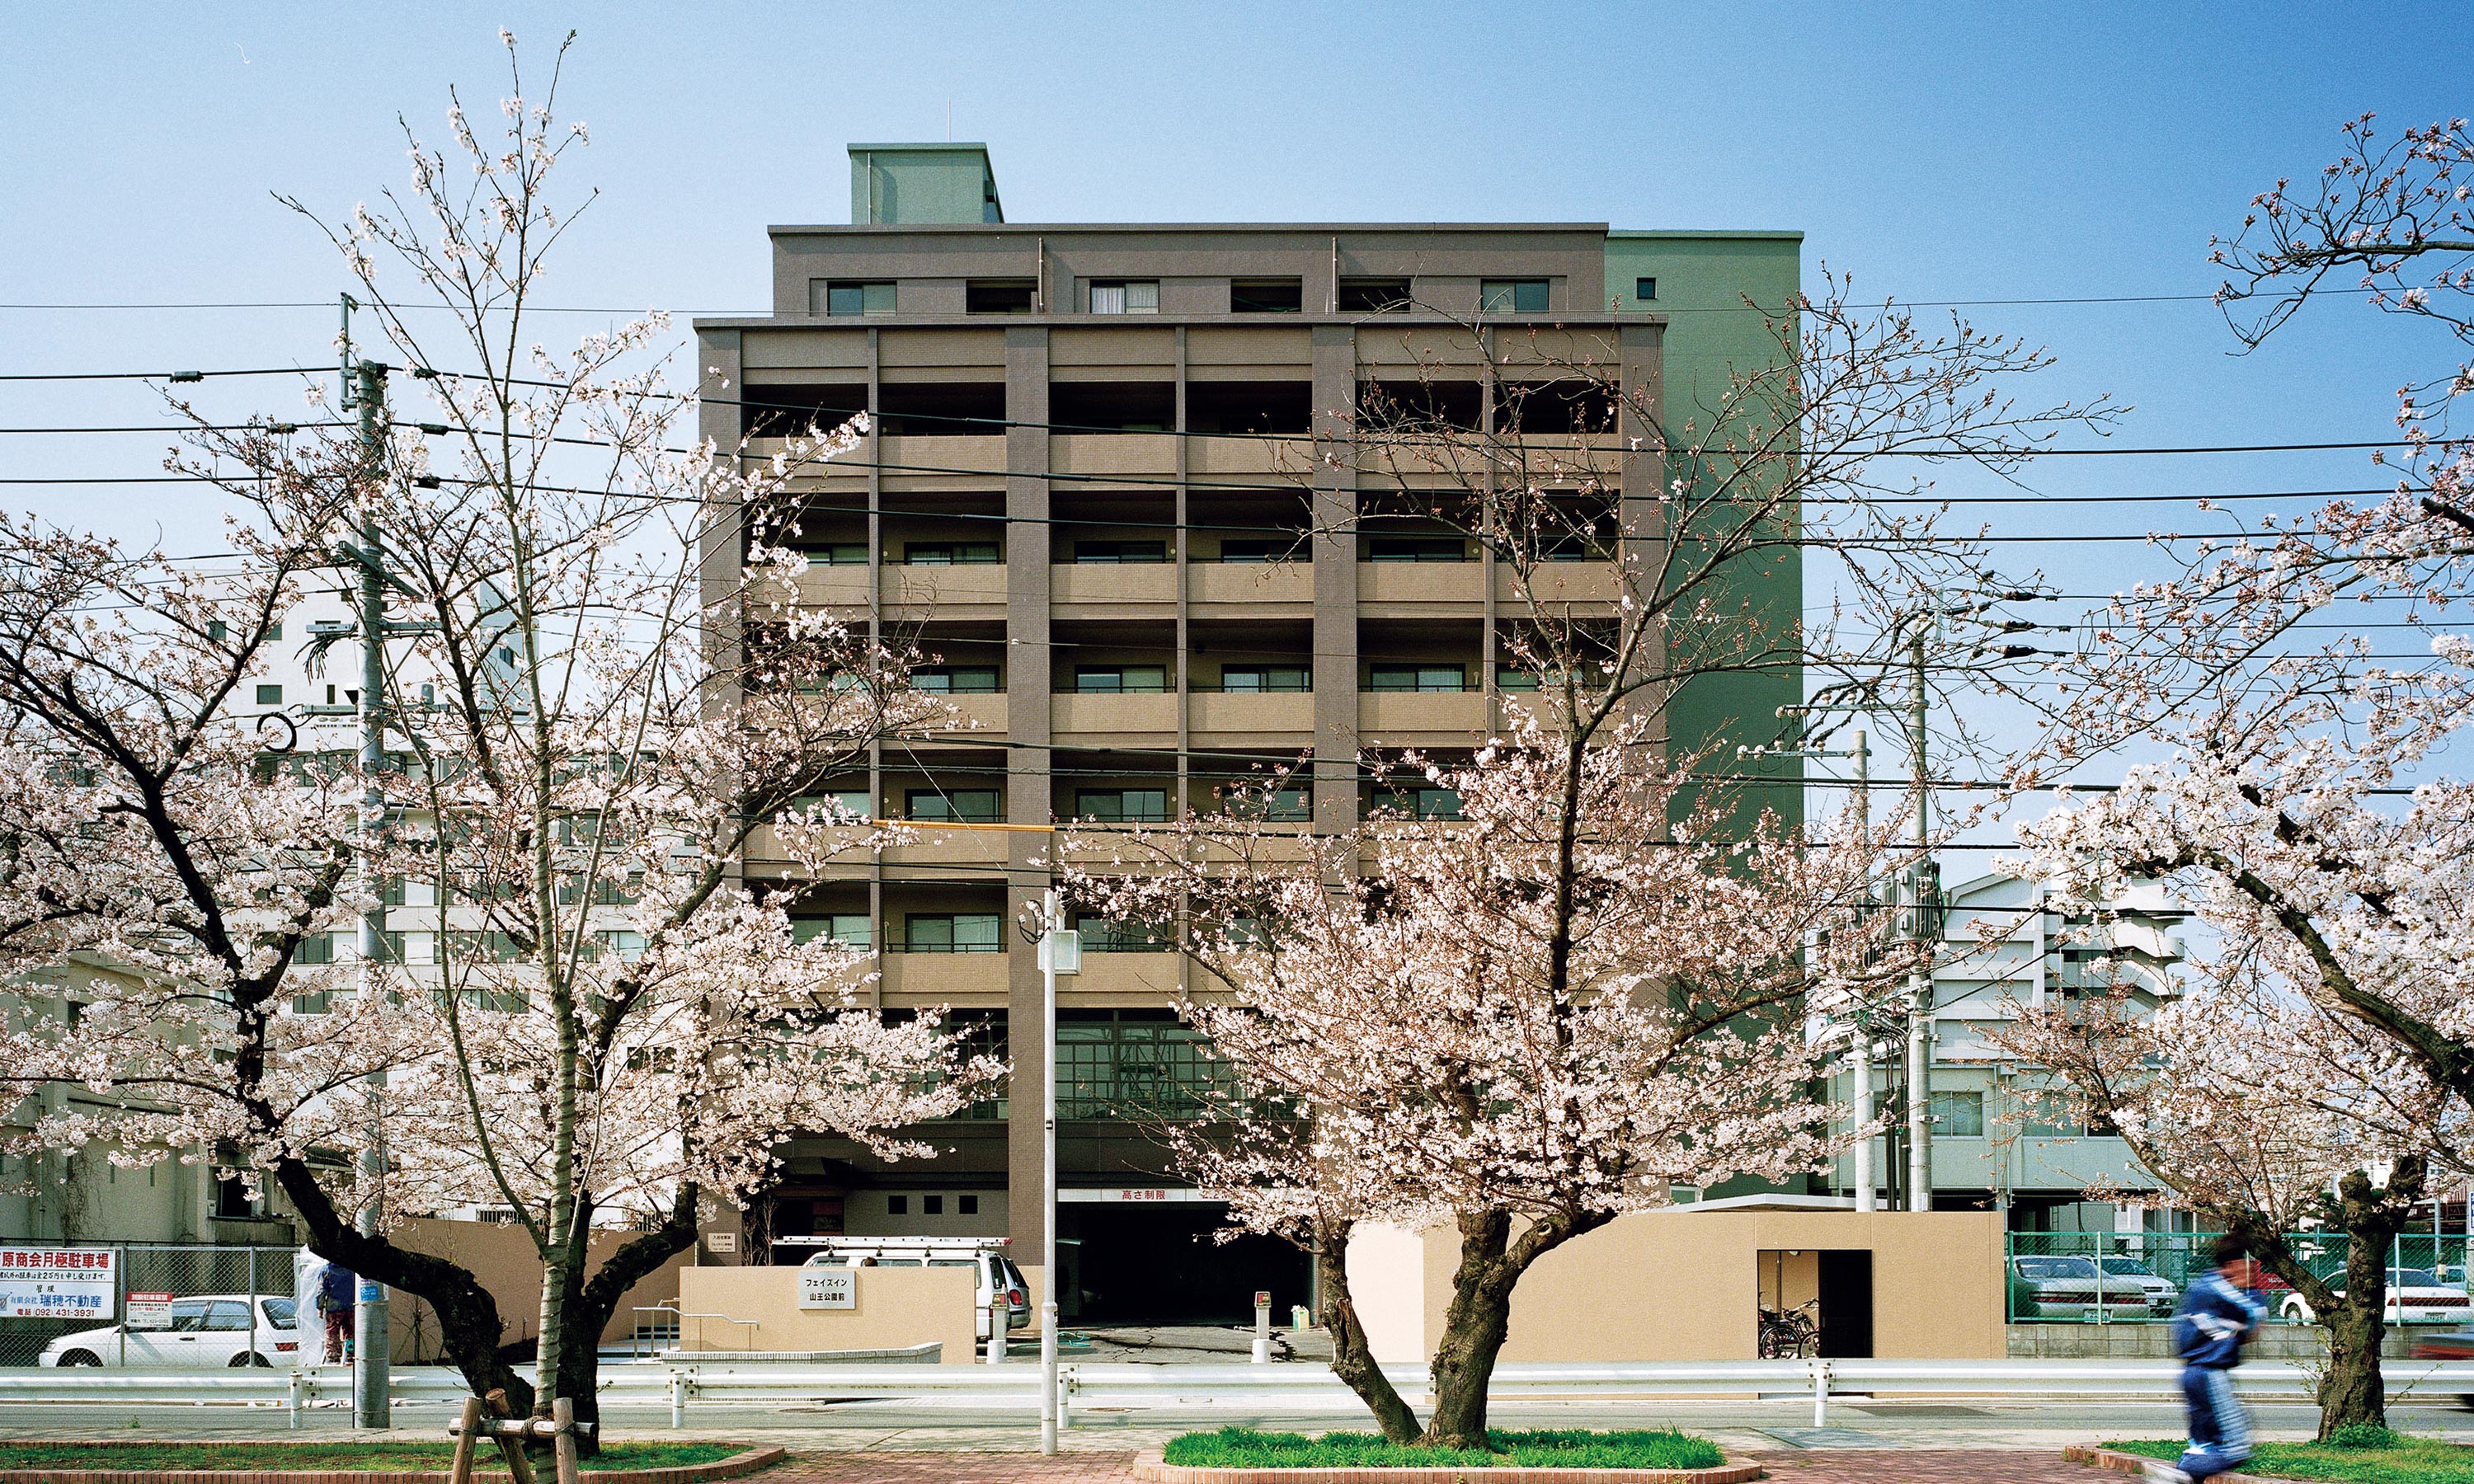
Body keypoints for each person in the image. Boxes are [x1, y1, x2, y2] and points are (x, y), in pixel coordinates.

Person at [2161, 1234, 2266, 1484]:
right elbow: (2257, 1319)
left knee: (2202, 1446)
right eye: (2246, 1264)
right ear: (2233, 1264)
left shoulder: (2199, 1287)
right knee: (2237, 1448)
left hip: (2191, 1373)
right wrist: (2251, 1289)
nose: (2250, 1270)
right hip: (2211, 1374)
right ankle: (2174, 1478)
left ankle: (2183, 1475)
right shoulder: (2226, 1292)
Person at [315, 1260, 356, 1364]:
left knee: (332, 1331)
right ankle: (350, 1355)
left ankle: (333, 1356)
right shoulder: (351, 1269)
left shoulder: (327, 1270)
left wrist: (320, 1307)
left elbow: (322, 1290)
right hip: (350, 1305)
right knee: (350, 1332)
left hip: (334, 1307)